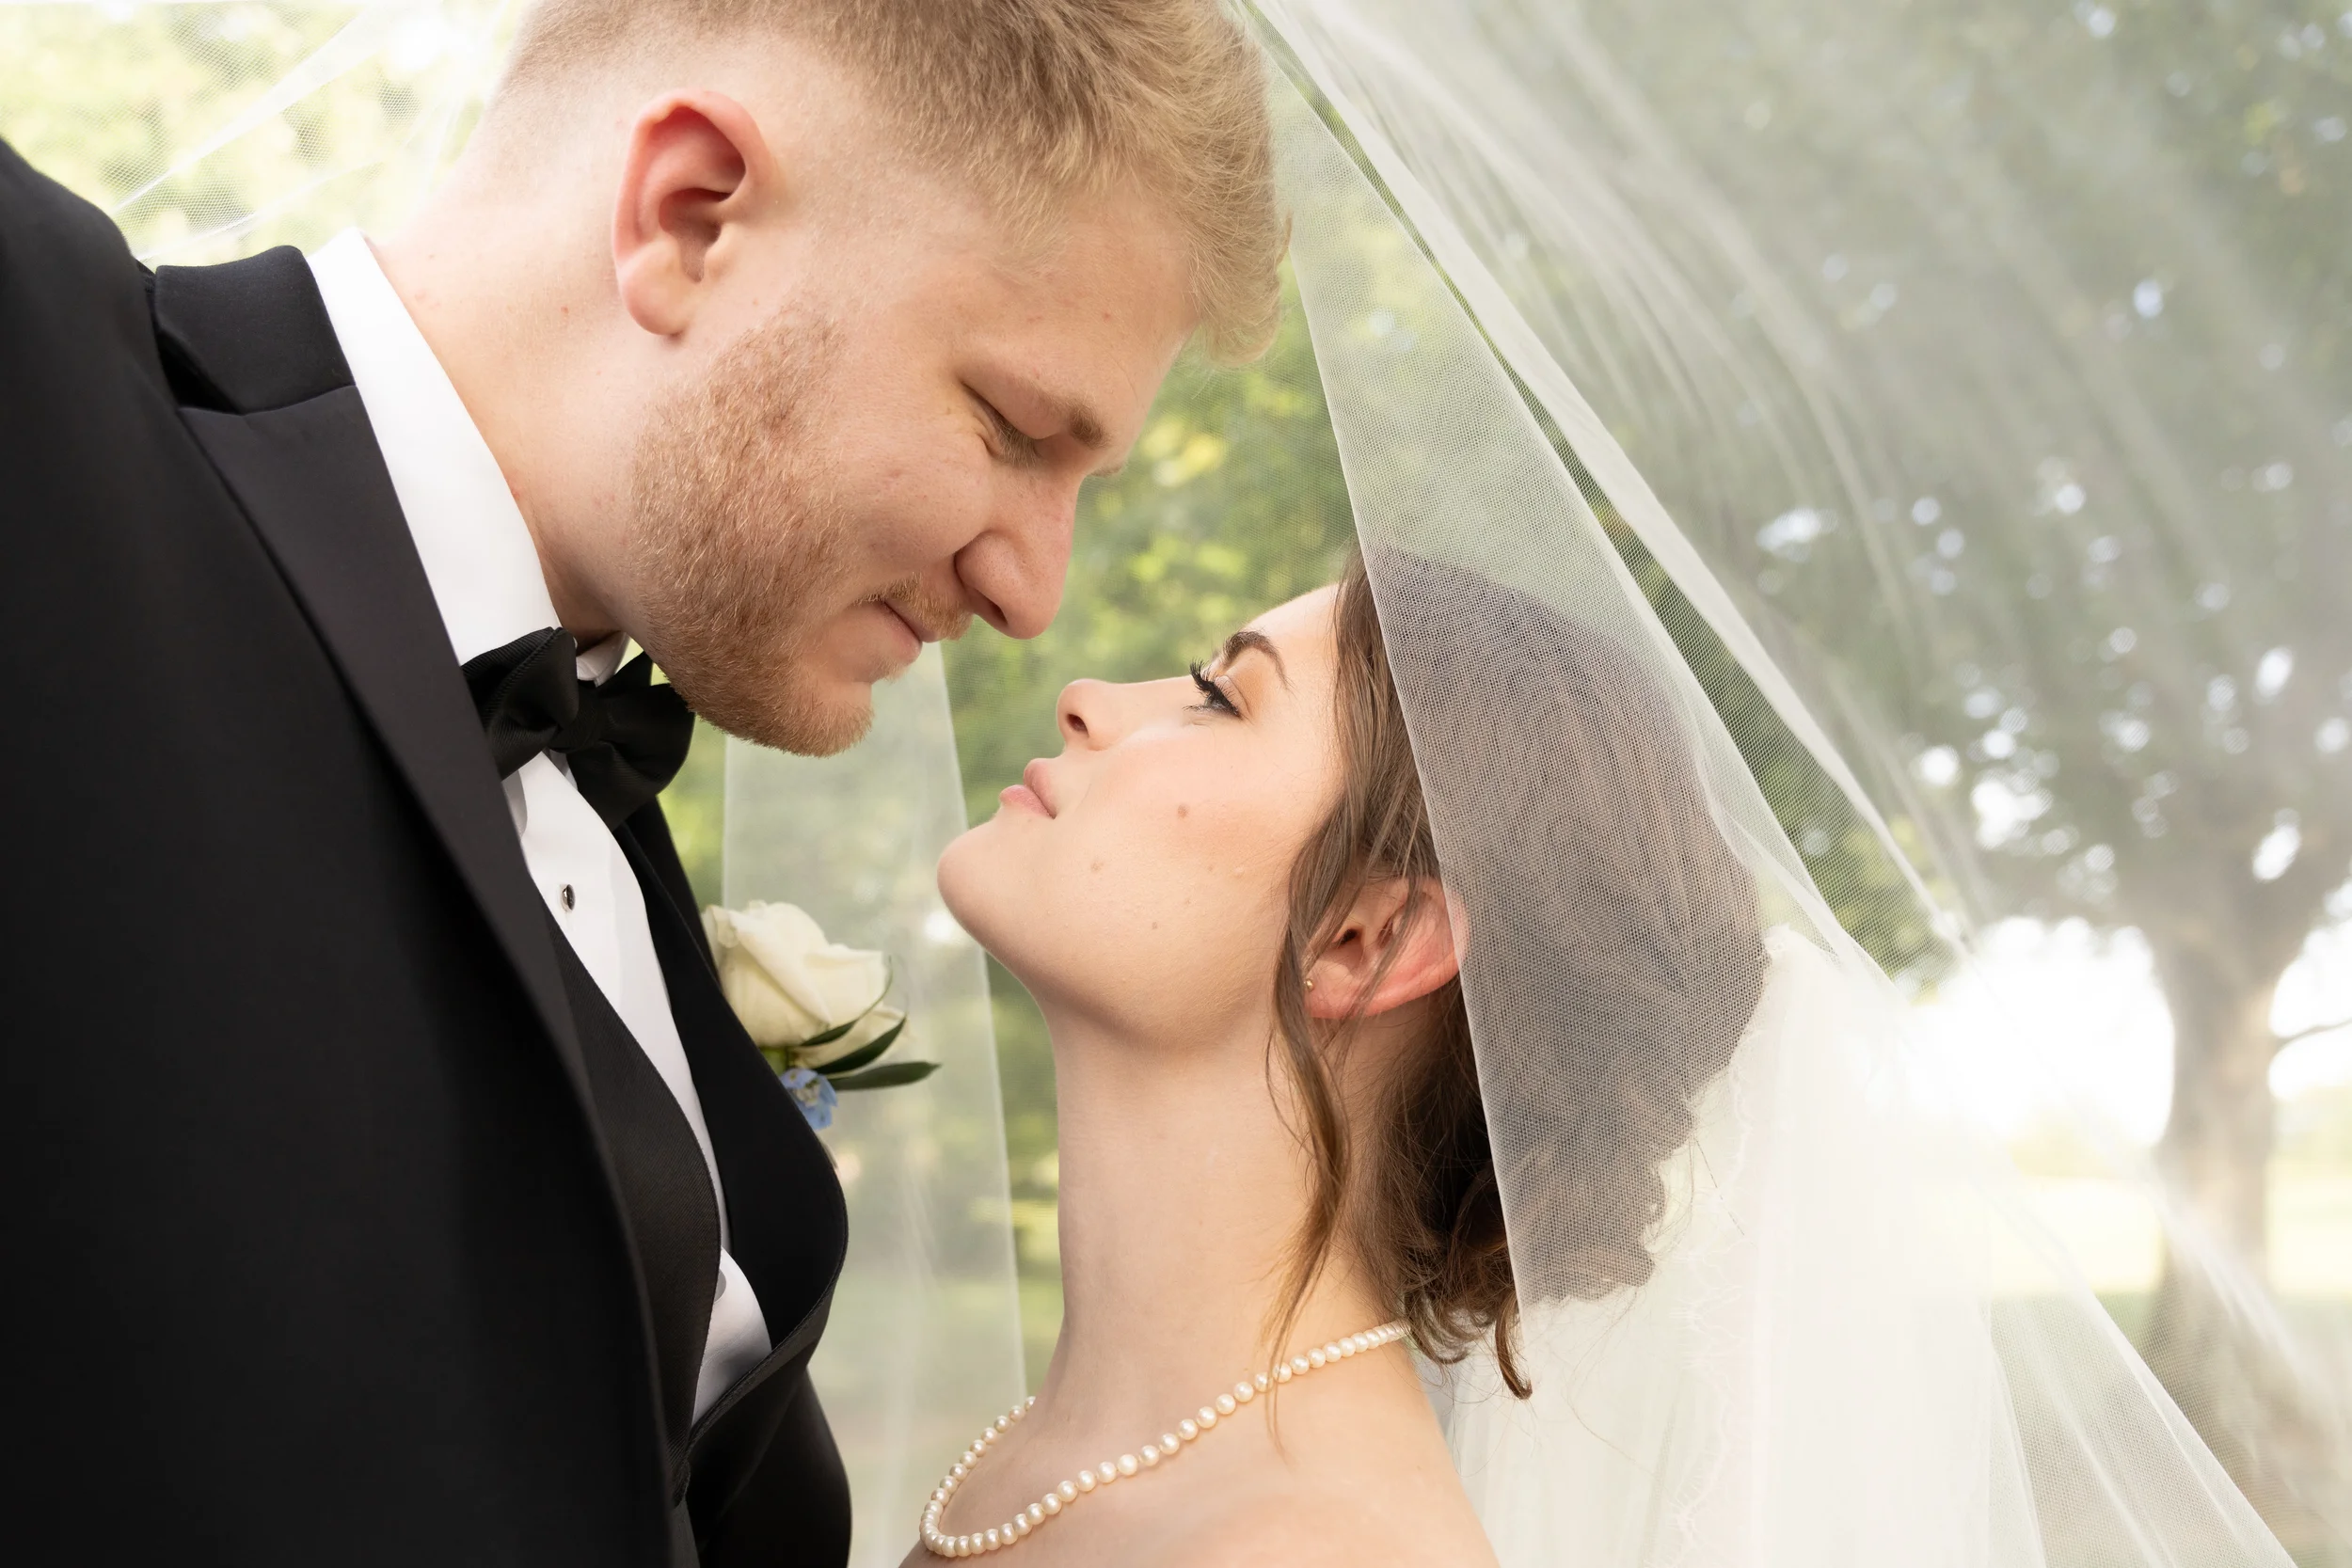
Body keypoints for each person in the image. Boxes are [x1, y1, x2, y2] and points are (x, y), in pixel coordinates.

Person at [0, 2, 1278, 1563]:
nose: (1036, 590)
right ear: (690, 216)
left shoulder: (614, 826)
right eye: (1011, 427)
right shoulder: (37, 387)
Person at [931, 554, 1767, 1563]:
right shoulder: (1044, 1461)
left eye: (1216, 698)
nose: (1085, 700)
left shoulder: (1318, 1545)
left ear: (1363, 938)